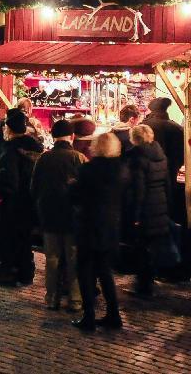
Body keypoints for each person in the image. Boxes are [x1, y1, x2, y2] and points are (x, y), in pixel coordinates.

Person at [72, 132, 127, 332]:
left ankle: (89, 316)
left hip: (89, 226)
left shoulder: (88, 170)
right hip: (110, 227)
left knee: (85, 272)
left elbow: (76, 196)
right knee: (105, 272)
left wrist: (71, 187)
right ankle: (114, 315)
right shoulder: (121, 170)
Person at [30, 118, 86, 311]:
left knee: (52, 258)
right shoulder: (78, 158)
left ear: (53, 137)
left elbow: (34, 188)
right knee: (73, 258)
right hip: (72, 215)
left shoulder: (43, 158)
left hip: (49, 214)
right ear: (72, 136)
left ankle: (51, 298)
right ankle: (75, 299)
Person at [0, 108, 43, 287]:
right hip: (29, 201)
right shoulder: (34, 148)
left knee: (8, 238)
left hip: (11, 204)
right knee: (24, 238)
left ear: (9, 129)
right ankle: (26, 272)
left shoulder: (10, 151)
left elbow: (7, 180)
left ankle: (8, 272)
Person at [125, 123, 173, 296]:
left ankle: (143, 287)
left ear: (135, 139)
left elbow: (138, 189)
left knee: (141, 249)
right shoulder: (161, 156)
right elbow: (167, 184)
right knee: (151, 248)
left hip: (145, 210)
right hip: (159, 207)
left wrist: (135, 215)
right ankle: (148, 282)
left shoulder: (137, 158)